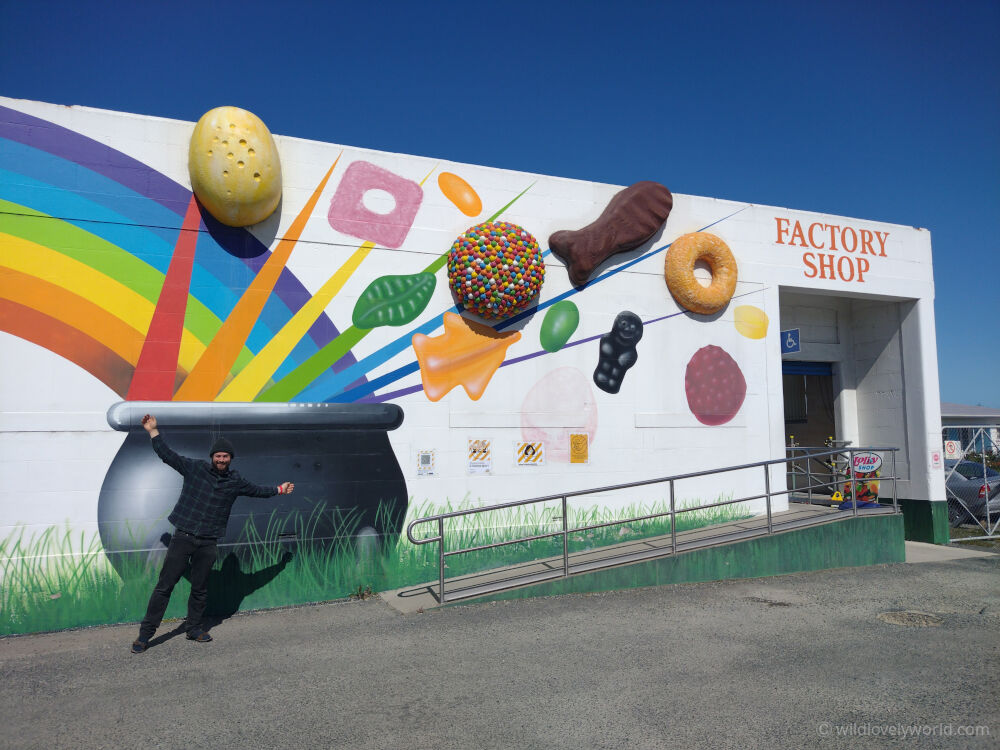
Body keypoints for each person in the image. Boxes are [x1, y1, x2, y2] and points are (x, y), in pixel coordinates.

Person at [130, 413, 293, 654]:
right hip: (183, 537)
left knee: (200, 588)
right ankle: (145, 635)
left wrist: (279, 489)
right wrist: (153, 431)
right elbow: (168, 455)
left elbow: (258, 491)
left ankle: (194, 628)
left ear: (230, 459)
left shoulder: (235, 481)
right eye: (218, 455)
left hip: (208, 542)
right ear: (212, 457)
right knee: (165, 585)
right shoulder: (195, 469)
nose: (221, 459)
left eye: (225, 456)